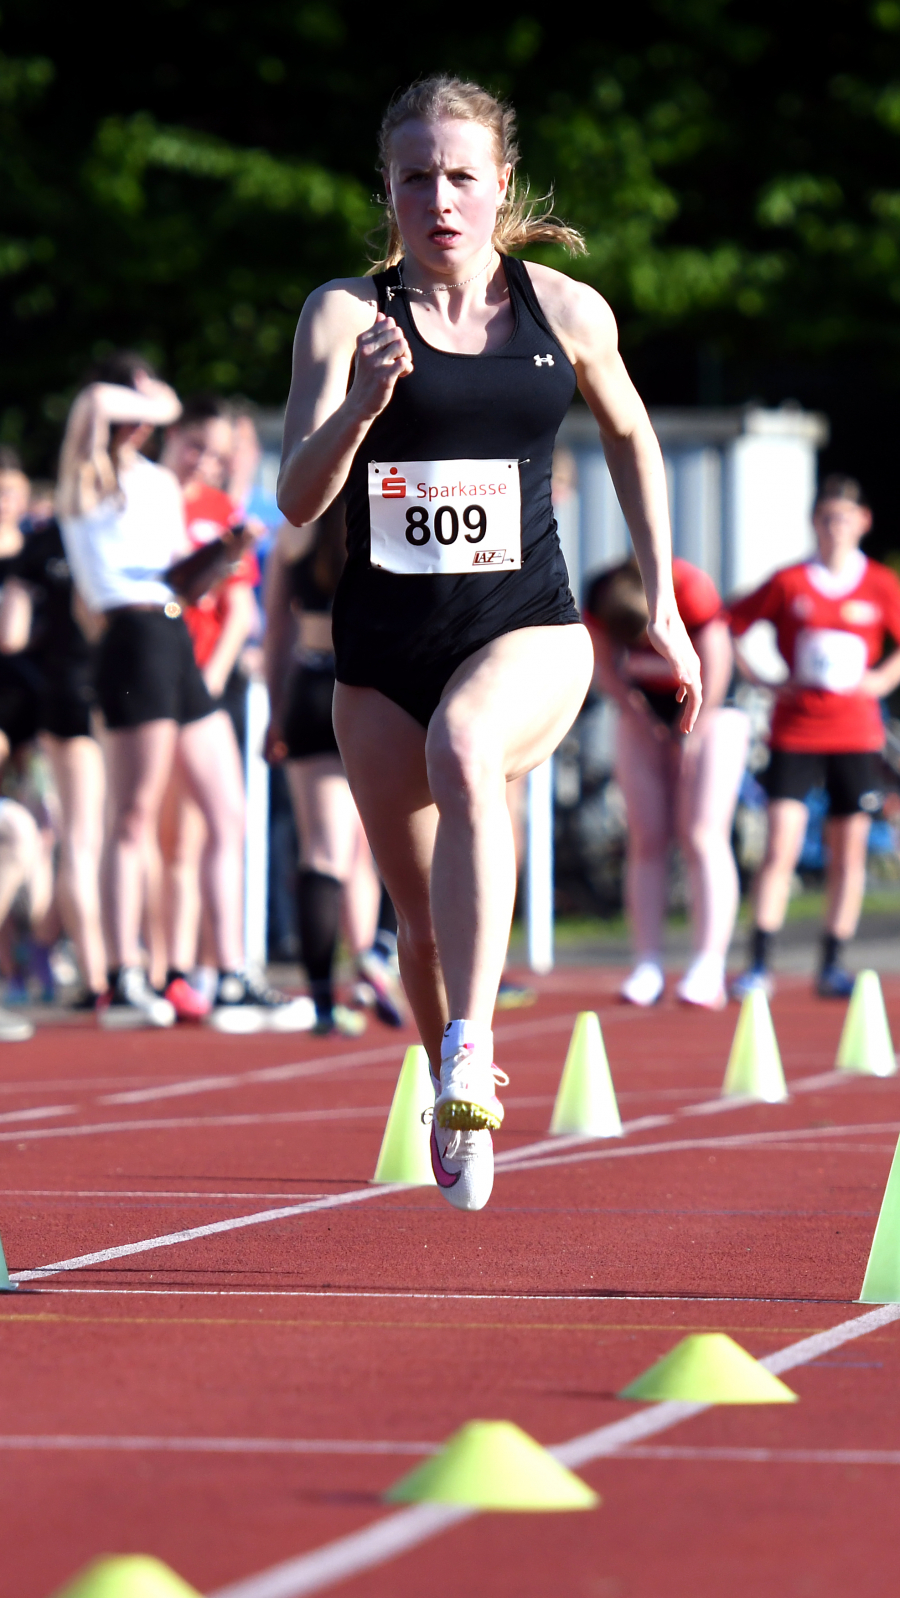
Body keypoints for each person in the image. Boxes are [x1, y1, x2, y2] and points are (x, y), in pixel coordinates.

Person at [276, 75, 700, 1211]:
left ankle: (470, 1050)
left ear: (500, 184)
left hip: (527, 629)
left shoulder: (567, 311)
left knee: (467, 748)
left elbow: (634, 440)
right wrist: (359, 407)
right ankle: (450, 1071)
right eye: (417, 177)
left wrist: (659, 600)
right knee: (417, 922)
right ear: (390, 190)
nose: (441, 198)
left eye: (462, 175)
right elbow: (299, 499)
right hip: (379, 652)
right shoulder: (342, 314)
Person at [57, 351, 313, 1031]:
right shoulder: (86, 467)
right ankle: (124, 974)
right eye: (132, 403)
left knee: (227, 810)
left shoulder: (157, 484)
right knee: (134, 817)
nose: (145, 419)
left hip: (171, 636)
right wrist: (151, 398)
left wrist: (223, 555)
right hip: (128, 637)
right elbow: (123, 409)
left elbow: (180, 582)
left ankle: (229, 972)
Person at [728, 474, 900, 997]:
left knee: (847, 850)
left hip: (854, 731)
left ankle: (832, 962)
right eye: (826, 519)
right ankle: (759, 962)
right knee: (781, 844)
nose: (835, 529)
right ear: (814, 524)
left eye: (844, 519)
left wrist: (882, 678)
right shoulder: (791, 582)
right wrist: (765, 679)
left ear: (863, 523)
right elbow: (731, 623)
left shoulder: (879, 585)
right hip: (796, 730)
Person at [264, 501, 404, 1036]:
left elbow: (277, 629)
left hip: (311, 682)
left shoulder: (293, 534)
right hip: (372, 681)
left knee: (326, 850)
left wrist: (276, 711)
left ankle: (325, 998)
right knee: (395, 832)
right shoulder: (386, 516)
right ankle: (380, 949)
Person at [587, 558, 749, 1009]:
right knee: (648, 834)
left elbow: (717, 662)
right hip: (646, 708)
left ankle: (708, 965)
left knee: (701, 832)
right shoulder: (601, 589)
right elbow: (605, 665)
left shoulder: (691, 587)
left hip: (712, 707)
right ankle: (647, 963)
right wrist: (638, 717)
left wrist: (692, 733)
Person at [158, 396, 260, 1020]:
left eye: (218, 453)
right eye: (198, 445)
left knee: (217, 824)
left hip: (197, 685)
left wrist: (210, 680)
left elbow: (241, 607)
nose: (206, 461)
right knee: (164, 837)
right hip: (148, 683)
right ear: (175, 437)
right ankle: (165, 969)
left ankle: (215, 967)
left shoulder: (222, 510)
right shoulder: (145, 500)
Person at [0, 495, 108, 1005]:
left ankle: (66, 957)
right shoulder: (114, 523)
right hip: (108, 691)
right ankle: (98, 974)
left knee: (66, 837)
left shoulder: (42, 540)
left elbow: (12, 633)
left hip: (60, 695)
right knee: (80, 839)